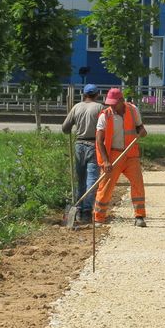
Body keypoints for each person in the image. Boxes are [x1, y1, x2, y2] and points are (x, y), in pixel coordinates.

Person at [93, 88, 149, 227]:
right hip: (113, 155)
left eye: (114, 103)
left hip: (131, 155)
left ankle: (139, 216)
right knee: (105, 187)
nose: (111, 106)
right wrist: (106, 161)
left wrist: (142, 132)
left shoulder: (132, 110)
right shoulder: (104, 116)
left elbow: (140, 128)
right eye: (109, 103)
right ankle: (99, 217)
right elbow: (99, 141)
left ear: (121, 101)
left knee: (138, 184)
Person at [60, 84, 104, 225]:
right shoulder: (100, 108)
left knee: (81, 179)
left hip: (79, 145)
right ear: (97, 94)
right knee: (91, 180)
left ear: (84, 94)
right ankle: (86, 211)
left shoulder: (76, 107)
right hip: (93, 145)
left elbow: (65, 128)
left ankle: (78, 208)